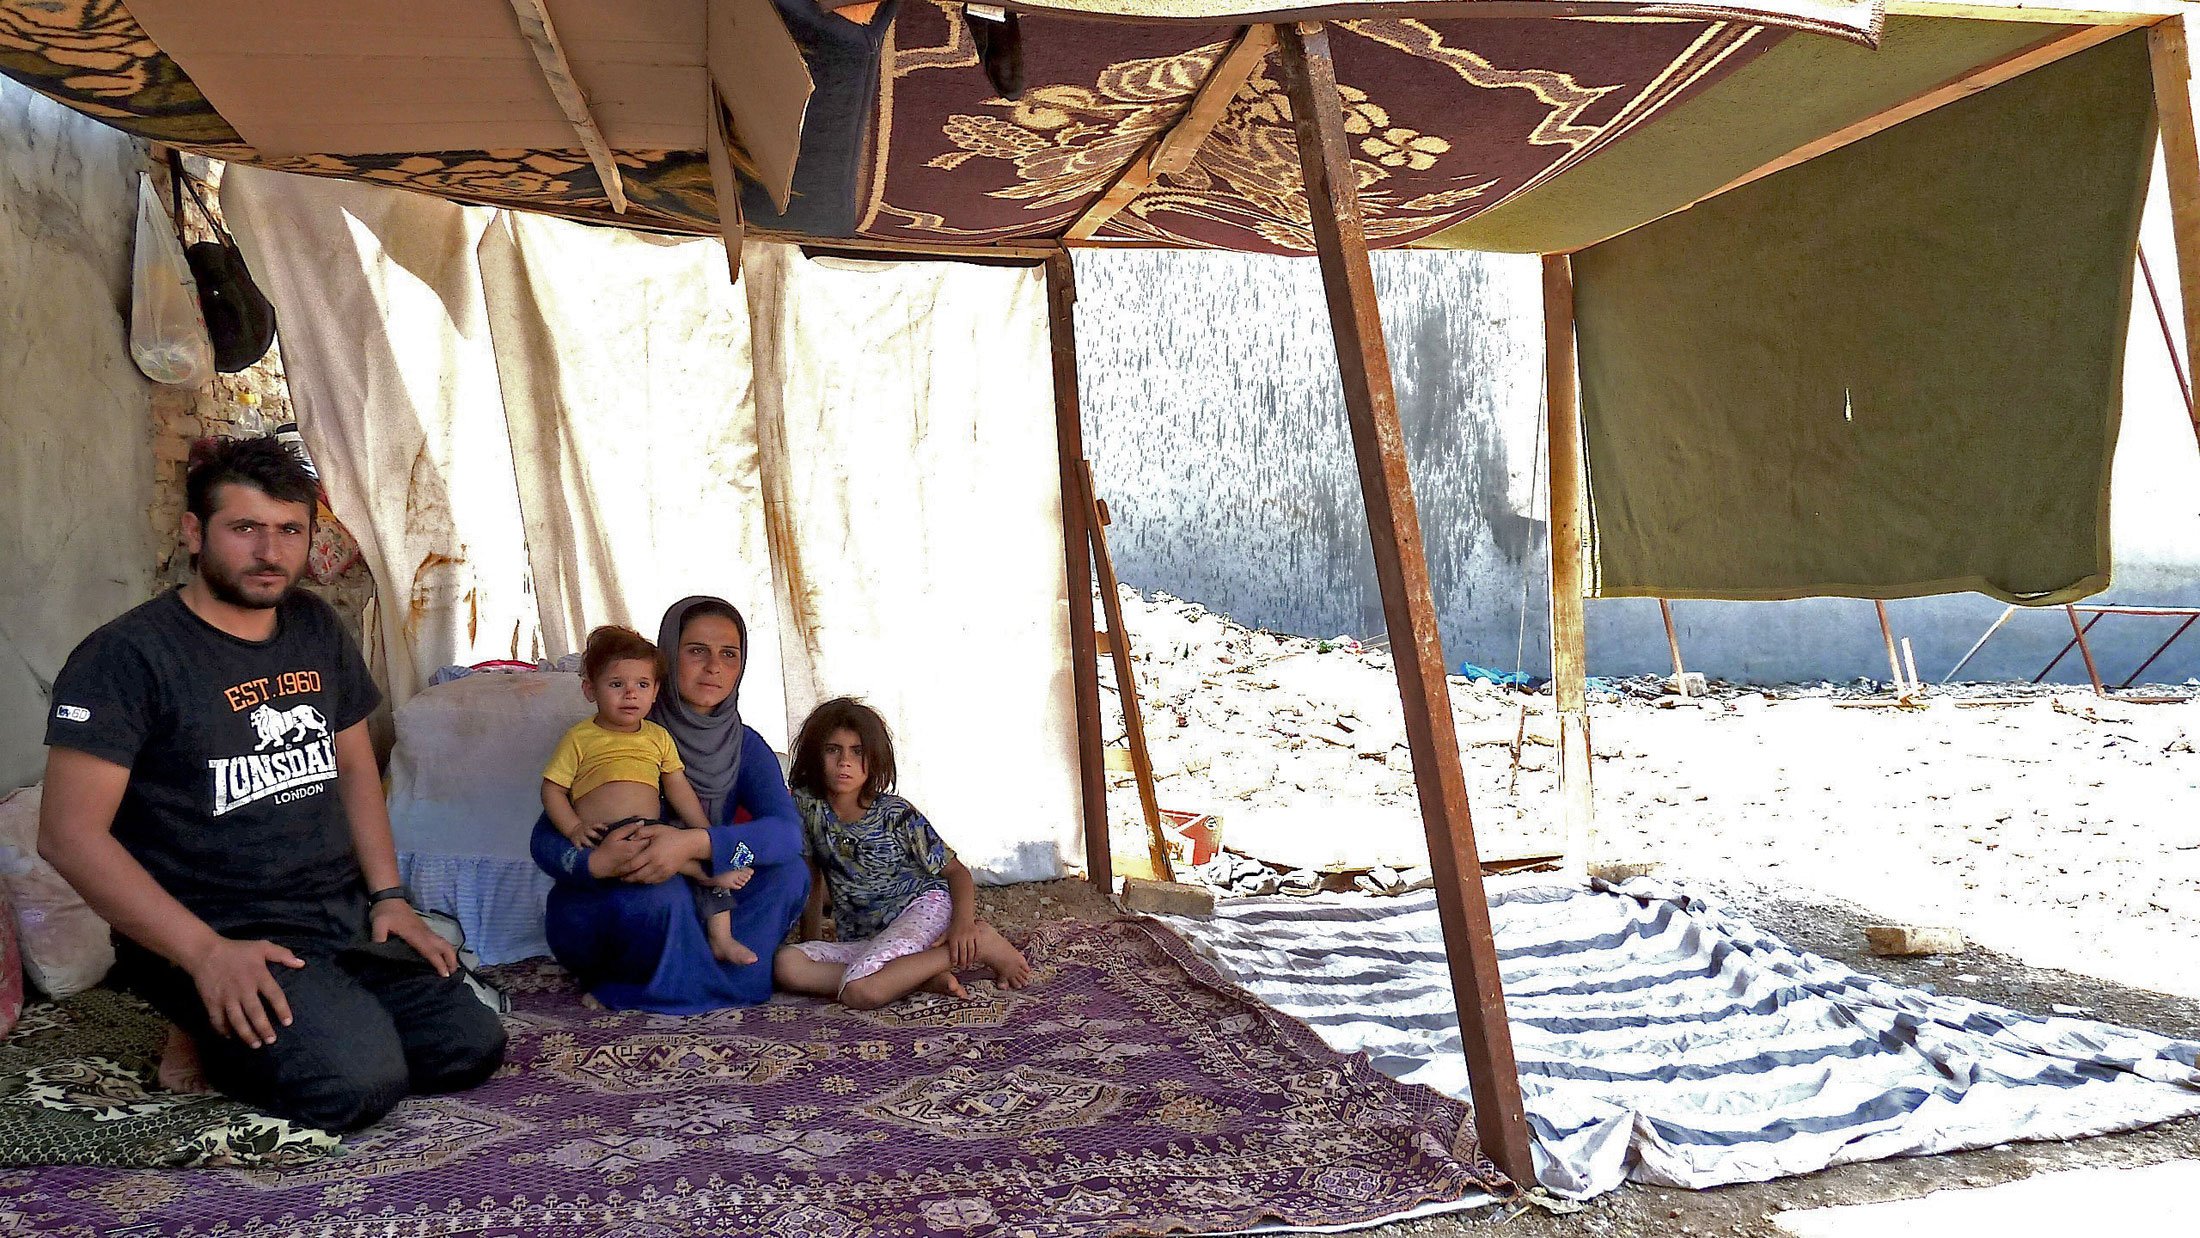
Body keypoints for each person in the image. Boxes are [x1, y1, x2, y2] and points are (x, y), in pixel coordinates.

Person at [37, 436, 506, 1131]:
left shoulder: (315, 625)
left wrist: (390, 899)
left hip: (330, 913)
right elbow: (68, 836)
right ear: (195, 532)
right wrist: (203, 953)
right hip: (213, 929)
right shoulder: (125, 657)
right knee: (356, 1085)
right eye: (245, 528)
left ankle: (318, 1009)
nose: (270, 551)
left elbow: (353, 768)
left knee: (469, 1045)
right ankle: (196, 1019)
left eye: (290, 530)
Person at [531, 597, 807, 1012]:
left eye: (728, 655)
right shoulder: (625, 729)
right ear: (668, 657)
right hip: (618, 896)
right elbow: (545, 838)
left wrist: (697, 845)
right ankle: (700, 982)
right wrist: (596, 864)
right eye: (697, 651)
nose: (714, 666)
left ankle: (683, 978)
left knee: (790, 872)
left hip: (708, 897)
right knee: (662, 893)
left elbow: (787, 834)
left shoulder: (743, 746)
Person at [774, 697, 1031, 1010]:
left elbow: (957, 872)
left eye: (857, 751)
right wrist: (809, 940)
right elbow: (812, 876)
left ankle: (979, 944)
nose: (845, 761)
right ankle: (915, 977)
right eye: (832, 749)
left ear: (875, 758)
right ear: (816, 754)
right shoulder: (809, 809)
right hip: (866, 935)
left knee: (859, 991)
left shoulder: (896, 815)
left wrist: (962, 925)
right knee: (787, 964)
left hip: (920, 911)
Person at [542, 625, 756, 965]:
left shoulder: (657, 737)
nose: (630, 694)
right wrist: (572, 829)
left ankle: (722, 937)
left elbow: (677, 786)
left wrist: (704, 832)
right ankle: (702, 874)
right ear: (589, 690)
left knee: (702, 855)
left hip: (649, 828)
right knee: (694, 869)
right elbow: (553, 789)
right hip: (604, 835)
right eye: (616, 685)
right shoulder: (580, 738)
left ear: (656, 691)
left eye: (642, 685)